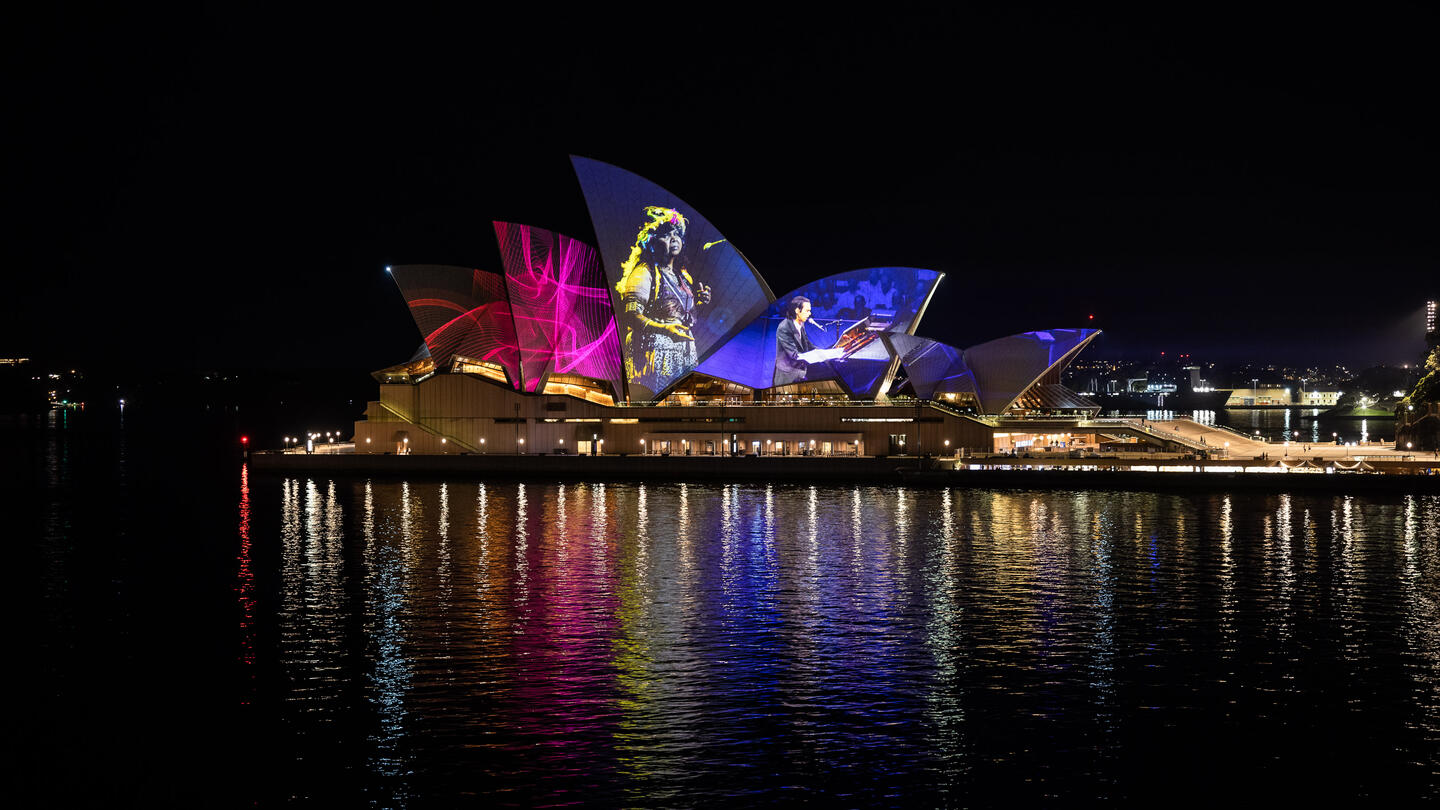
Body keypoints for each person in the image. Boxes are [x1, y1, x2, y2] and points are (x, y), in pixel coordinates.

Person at [615, 206, 711, 397]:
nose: (673, 238)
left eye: (676, 234)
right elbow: (630, 316)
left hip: (682, 353)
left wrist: (699, 302)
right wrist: (663, 329)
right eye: (666, 235)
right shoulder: (644, 272)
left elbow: (679, 313)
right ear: (651, 243)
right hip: (654, 354)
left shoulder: (684, 277)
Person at [774, 296, 816, 386]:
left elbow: (807, 344)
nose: (809, 314)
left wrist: (821, 352)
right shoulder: (784, 327)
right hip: (787, 374)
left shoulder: (801, 323)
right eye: (807, 311)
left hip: (799, 371)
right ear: (797, 310)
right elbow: (794, 355)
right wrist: (817, 357)